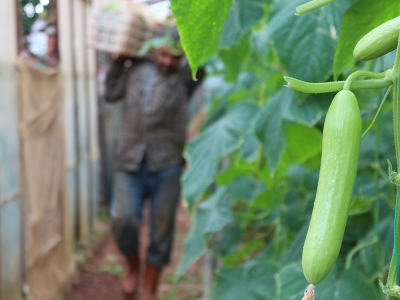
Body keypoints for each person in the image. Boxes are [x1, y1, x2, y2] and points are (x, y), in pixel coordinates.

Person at [104, 25, 204, 300]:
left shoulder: (185, 76)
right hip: (130, 160)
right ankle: (133, 268)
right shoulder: (134, 67)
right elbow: (110, 93)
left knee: (162, 231)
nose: (167, 62)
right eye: (162, 54)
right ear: (152, 49)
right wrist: (120, 58)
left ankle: (150, 288)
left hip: (167, 163)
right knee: (122, 219)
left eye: (174, 57)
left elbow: (202, 53)